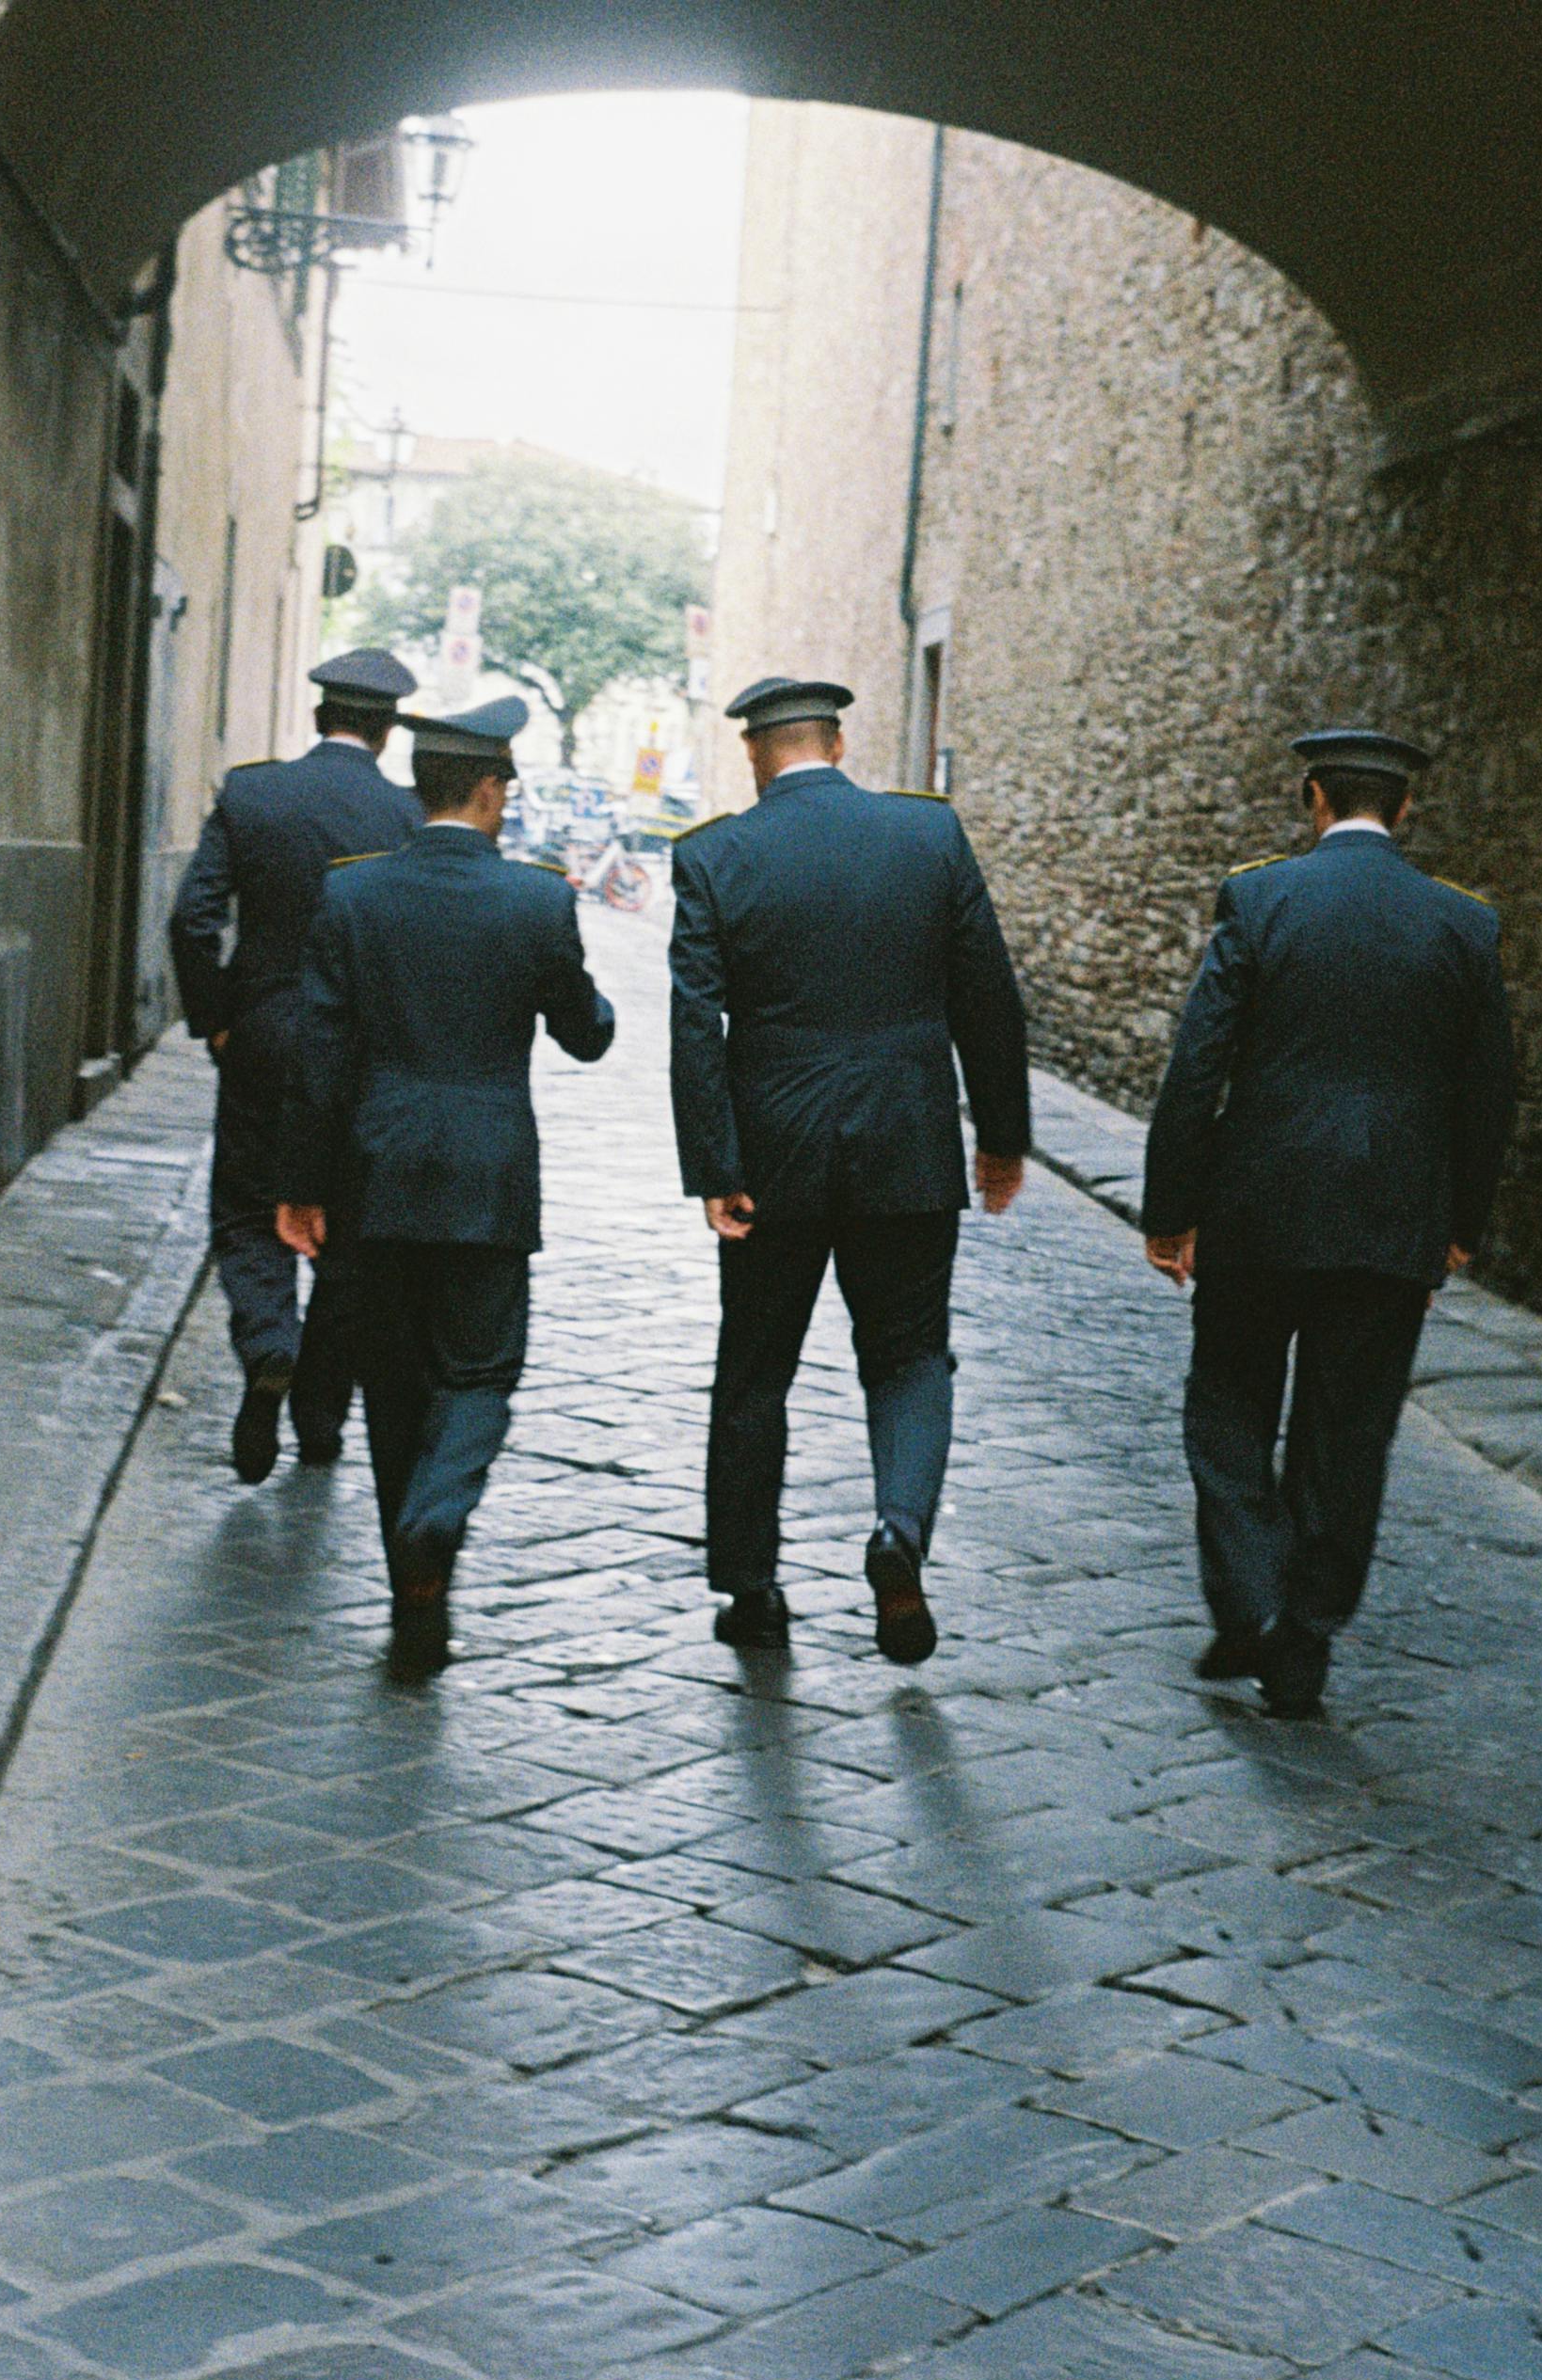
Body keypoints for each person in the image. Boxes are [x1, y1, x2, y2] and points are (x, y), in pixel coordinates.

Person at [1139, 729, 1517, 1719]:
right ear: (1406, 812)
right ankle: (1302, 1634)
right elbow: (1490, 1097)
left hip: (1257, 1209)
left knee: (1228, 1410)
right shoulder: (1464, 927)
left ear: (1312, 798)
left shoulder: (1260, 901)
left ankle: (1251, 1595)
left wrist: (1171, 1208)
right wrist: (1462, 1222)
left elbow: (1197, 1065)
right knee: (1348, 1434)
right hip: (1392, 1219)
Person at [669, 675, 1032, 1667]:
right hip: (907, 1139)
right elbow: (987, 995)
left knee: (755, 1370)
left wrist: (714, 1164)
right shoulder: (929, 839)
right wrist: (1001, 1135)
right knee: (911, 1355)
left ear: (756, 752)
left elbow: (696, 1022)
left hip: (772, 1151)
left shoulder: (713, 855)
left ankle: (751, 1587)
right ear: (836, 740)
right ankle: (898, 1532)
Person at [277, 697, 614, 1677]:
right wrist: (587, 999)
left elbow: (320, 1052)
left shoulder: (352, 897)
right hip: (487, 1174)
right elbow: (583, 1033)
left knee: (391, 1390)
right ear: (488, 789)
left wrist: (301, 1184)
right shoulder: (538, 900)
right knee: (479, 1371)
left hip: (376, 1170)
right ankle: (440, 1516)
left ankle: (413, 1602)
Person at [170, 649, 423, 1483]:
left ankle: (267, 1343)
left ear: (320, 718)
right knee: (347, 1232)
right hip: (358, 1055)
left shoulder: (253, 794)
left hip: (264, 1038)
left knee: (248, 1208)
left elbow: (193, 919)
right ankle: (319, 1416)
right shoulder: (407, 818)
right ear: (386, 733)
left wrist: (216, 1020)